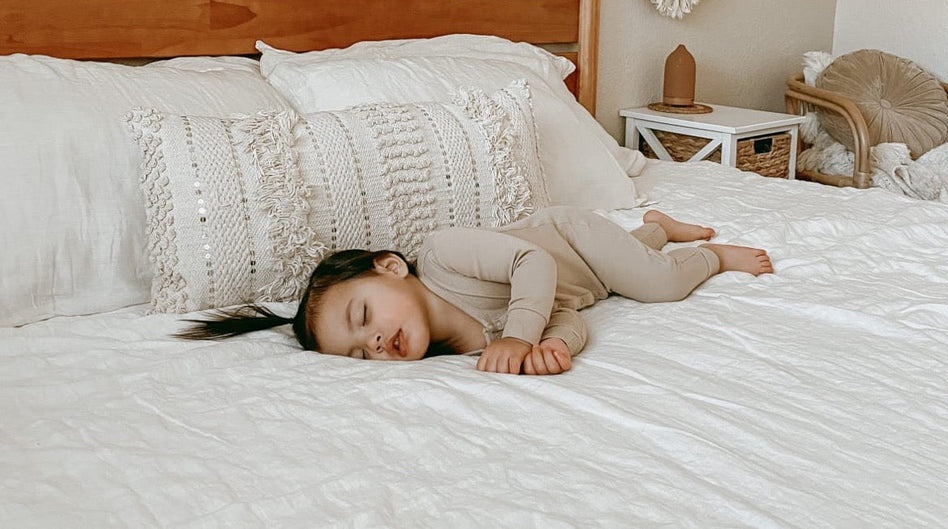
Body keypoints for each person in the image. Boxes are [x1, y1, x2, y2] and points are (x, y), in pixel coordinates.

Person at [179, 206, 773, 375]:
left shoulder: (442, 253)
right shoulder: (466, 347)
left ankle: (709, 254)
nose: (375, 342)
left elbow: (533, 261)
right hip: (587, 284)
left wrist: (519, 336)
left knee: (657, 283)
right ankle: (656, 228)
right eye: (359, 354)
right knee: (625, 272)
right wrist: (553, 346)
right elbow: (566, 314)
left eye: (363, 317)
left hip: (573, 238)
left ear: (391, 267)